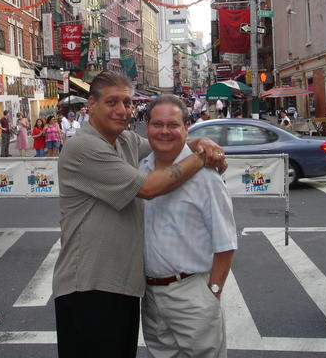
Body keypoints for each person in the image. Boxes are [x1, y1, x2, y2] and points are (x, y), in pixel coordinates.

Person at [52, 71, 226, 358]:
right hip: (88, 287)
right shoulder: (83, 146)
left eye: (128, 102)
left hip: (124, 288)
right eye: (112, 102)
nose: (122, 110)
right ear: (91, 104)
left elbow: (165, 143)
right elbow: (147, 187)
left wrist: (201, 142)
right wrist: (199, 158)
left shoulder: (125, 142)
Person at [140, 95, 237, 357]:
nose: (164, 131)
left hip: (192, 293)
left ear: (186, 128)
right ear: (147, 127)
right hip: (150, 297)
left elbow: (226, 242)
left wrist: (212, 294)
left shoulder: (206, 177)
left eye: (173, 125)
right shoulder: (140, 170)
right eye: (157, 124)